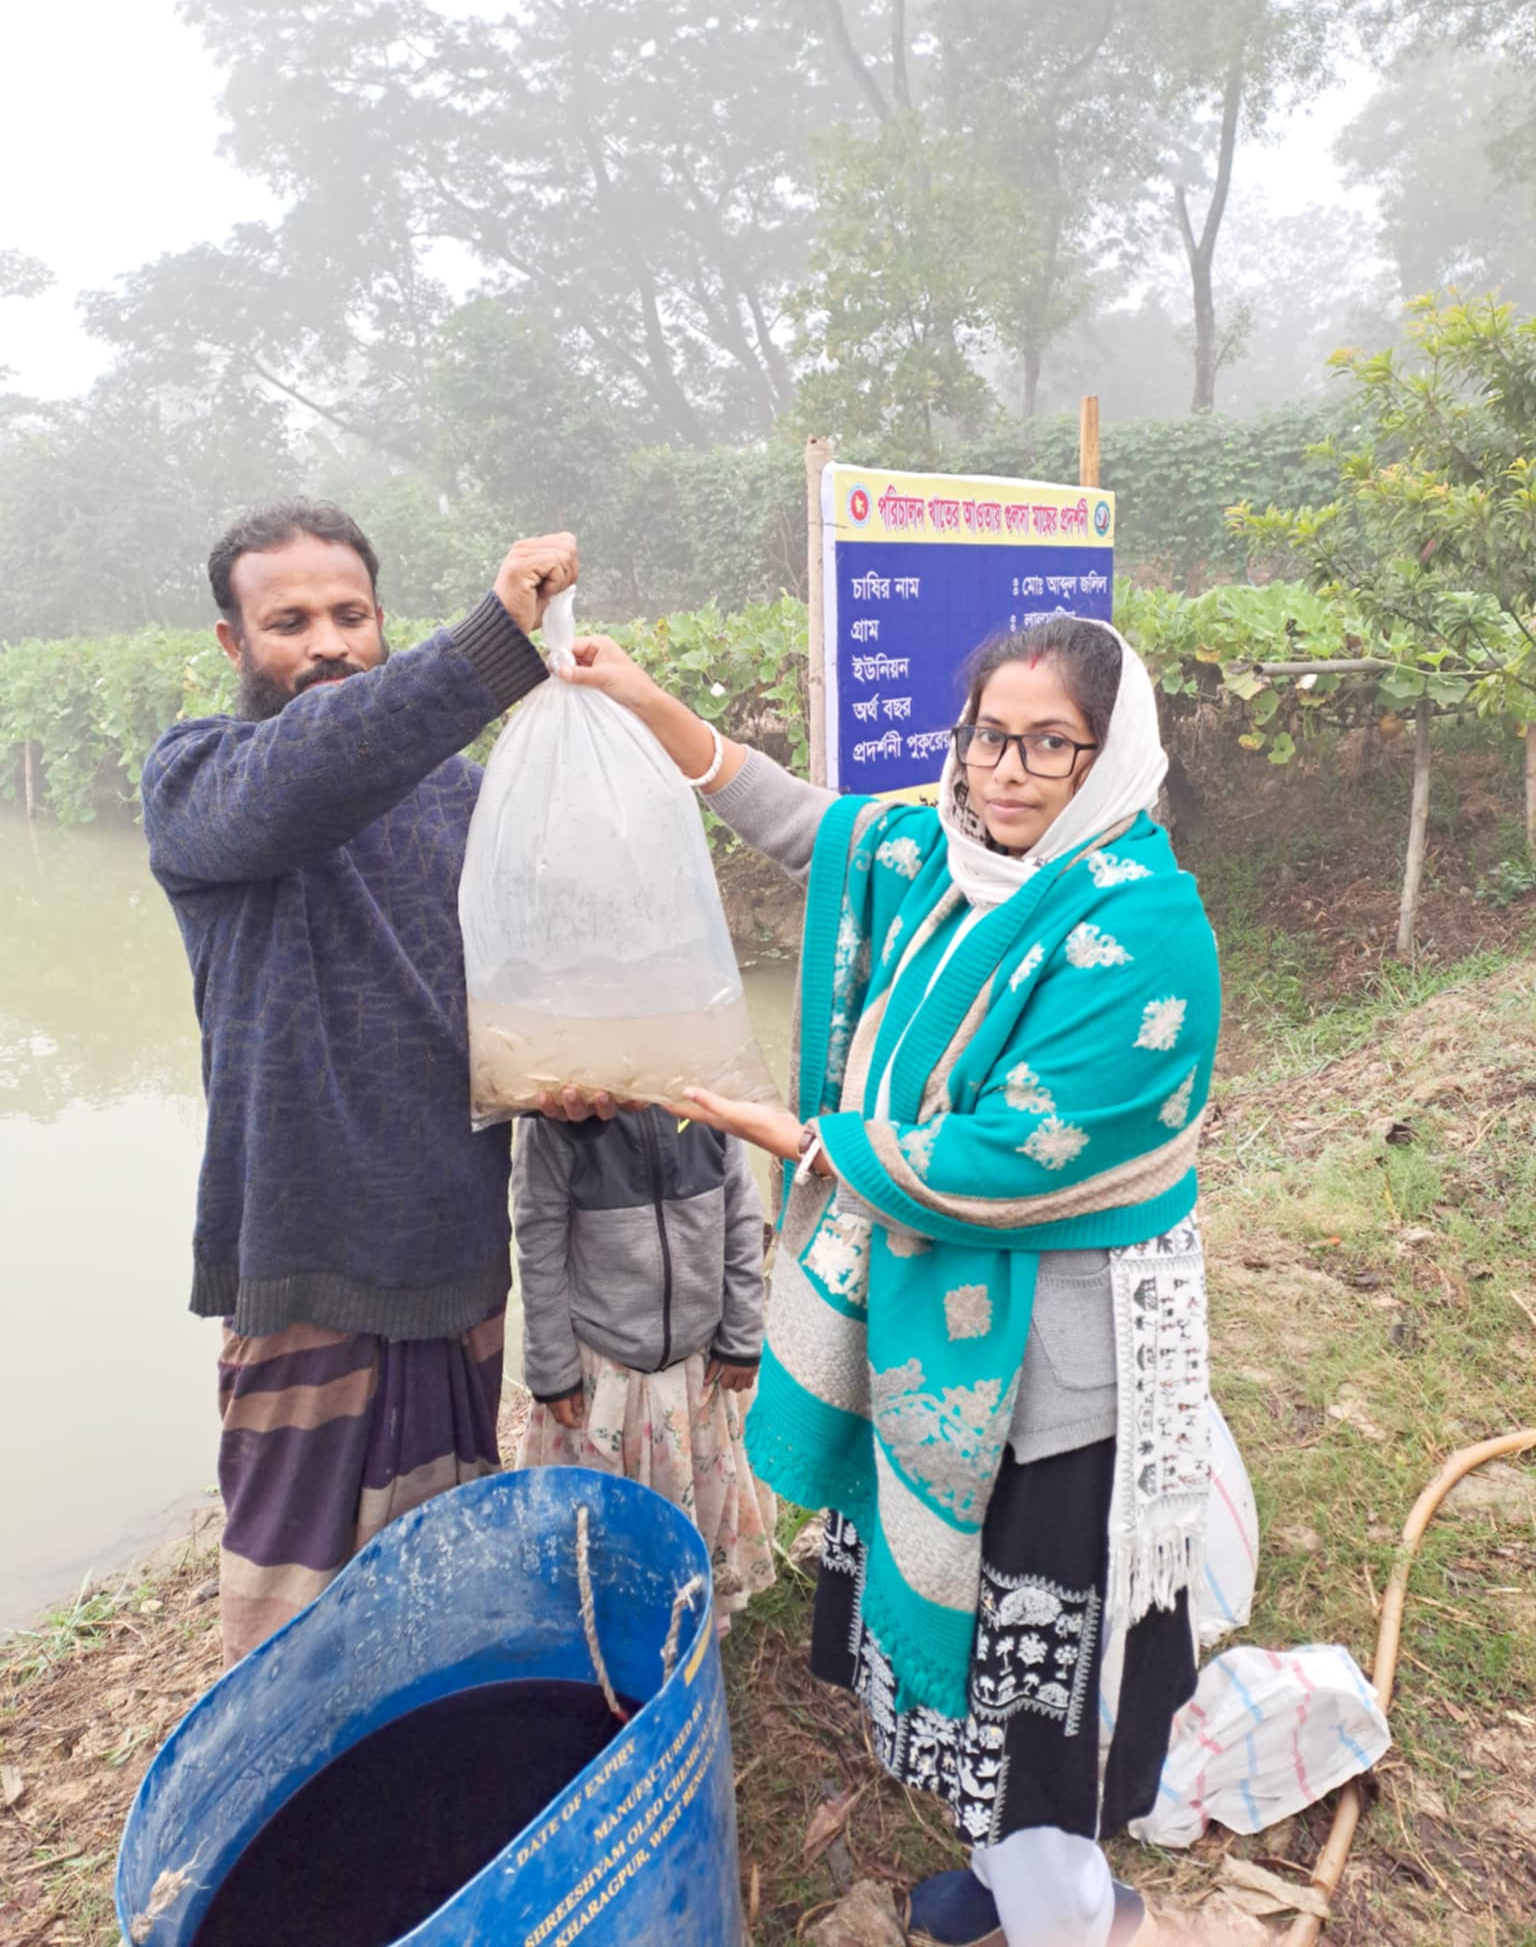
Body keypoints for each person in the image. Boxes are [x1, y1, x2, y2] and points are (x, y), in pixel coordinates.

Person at [559, 613, 1221, 1947]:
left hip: (1061, 1366)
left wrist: (809, 1140)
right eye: (991, 736)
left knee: (1043, 1652)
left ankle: (1062, 1903)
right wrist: (638, 699)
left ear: (1111, 756)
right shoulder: (943, 850)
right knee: (968, 1623)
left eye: (1053, 745)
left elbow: (1015, 1156)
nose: (1012, 772)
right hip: (938, 1337)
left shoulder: (1144, 929)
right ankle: (1005, 1868)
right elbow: (804, 823)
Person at [142, 500, 594, 1667]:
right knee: (294, 1616)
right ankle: (294, 1810)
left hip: (454, 1250)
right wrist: (494, 637)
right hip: (305, 1256)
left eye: (350, 613)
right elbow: (319, 764)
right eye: (287, 621)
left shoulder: (463, 798)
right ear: (233, 648)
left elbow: (512, 990)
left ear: (383, 621)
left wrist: (575, 1070)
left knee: (444, 1573)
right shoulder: (204, 782)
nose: (327, 641)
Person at [513, 1107, 777, 1627]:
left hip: (696, 1372)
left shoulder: (706, 1091)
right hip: (604, 1375)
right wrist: (552, 1365)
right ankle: (601, 1624)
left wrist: (743, 1333)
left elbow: (743, 1214)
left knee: (695, 1511)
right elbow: (537, 1237)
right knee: (600, 1530)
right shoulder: (555, 1110)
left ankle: (694, 1618)